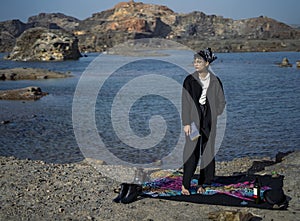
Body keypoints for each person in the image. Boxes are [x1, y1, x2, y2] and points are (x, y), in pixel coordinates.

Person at [181, 48, 226, 195]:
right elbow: (185, 103)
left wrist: (214, 114)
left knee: (207, 151)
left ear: (207, 63)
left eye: (199, 61)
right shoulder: (189, 81)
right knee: (191, 151)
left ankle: (203, 183)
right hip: (193, 123)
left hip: (209, 122)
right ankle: (185, 184)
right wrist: (186, 123)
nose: (196, 64)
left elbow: (221, 102)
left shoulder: (215, 80)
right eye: (194, 61)